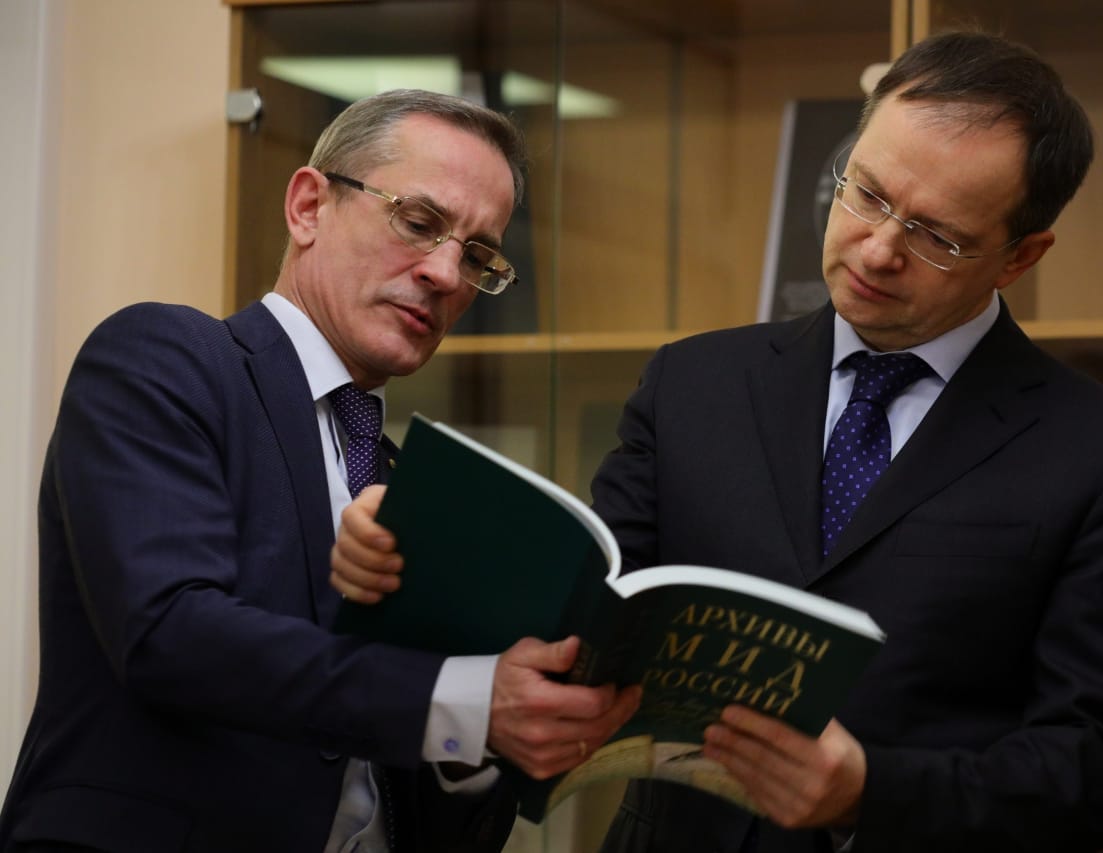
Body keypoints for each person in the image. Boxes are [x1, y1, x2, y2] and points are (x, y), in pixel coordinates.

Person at [332, 32, 1103, 852]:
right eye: (866, 192)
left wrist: (869, 792)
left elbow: (1098, 763)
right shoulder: (694, 384)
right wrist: (418, 550)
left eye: (936, 236)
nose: (878, 248)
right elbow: (579, 612)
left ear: (1020, 256)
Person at [0, 89, 640, 853]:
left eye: (477, 256)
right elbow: (169, 630)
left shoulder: (409, 491)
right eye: (419, 222)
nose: (445, 273)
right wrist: (463, 699)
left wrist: (481, 739)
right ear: (308, 206)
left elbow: (431, 800)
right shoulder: (167, 359)